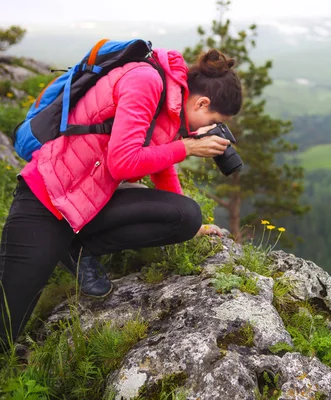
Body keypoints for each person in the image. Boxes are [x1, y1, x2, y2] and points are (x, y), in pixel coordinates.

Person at [0, 47, 243, 350]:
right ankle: (65, 247)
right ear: (202, 102)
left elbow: (162, 165)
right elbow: (122, 163)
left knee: (186, 215)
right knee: (5, 328)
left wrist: (195, 229)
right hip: (46, 196)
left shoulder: (172, 106)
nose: (207, 130)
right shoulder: (146, 81)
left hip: (89, 202)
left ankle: (78, 248)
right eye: (214, 121)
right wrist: (188, 148)